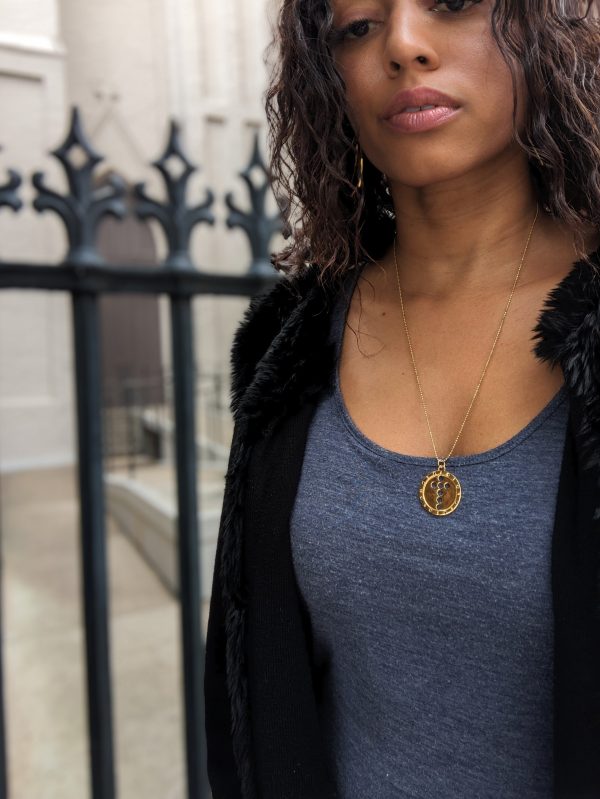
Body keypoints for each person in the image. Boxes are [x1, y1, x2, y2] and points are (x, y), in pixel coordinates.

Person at [204, 1, 600, 797]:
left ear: (544, 28)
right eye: (357, 27)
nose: (404, 46)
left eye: (452, 5)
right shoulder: (294, 342)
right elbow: (250, 691)